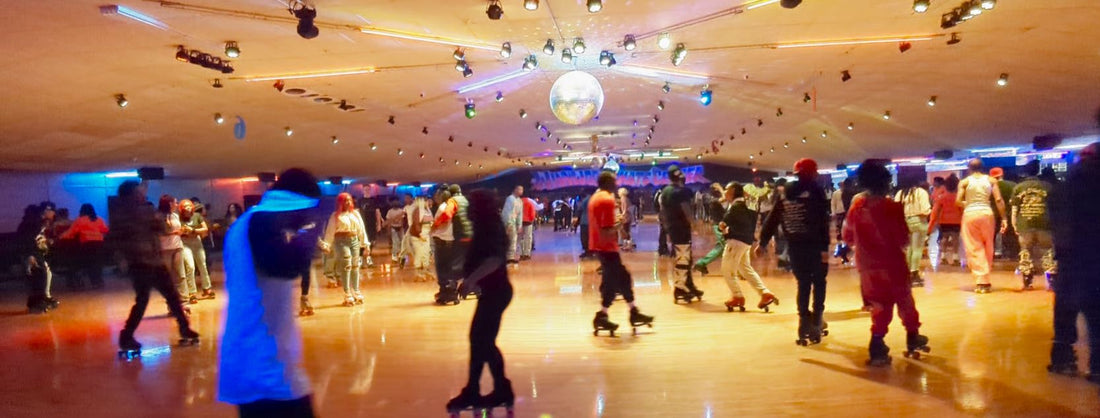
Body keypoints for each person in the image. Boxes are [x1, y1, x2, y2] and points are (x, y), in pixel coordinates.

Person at [218, 168, 325, 417]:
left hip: (257, 362)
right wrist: (312, 230)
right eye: (305, 211)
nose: (305, 218)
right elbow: (288, 266)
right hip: (263, 367)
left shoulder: (247, 224)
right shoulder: (260, 223)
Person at [843, 160, 929, 367]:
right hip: (893, 264)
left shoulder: (856, 208)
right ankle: (912, 336)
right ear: (886, 182)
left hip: (867, 267)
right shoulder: (893, 207)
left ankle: (877, 345)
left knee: (879, 305)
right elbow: (902, 239)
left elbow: (847, 236)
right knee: (905, 300)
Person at [445, 189, 516, 414]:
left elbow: (494, 260)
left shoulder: (489, 228)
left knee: (482, 341)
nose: (468, 210)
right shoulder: (486, 226)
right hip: (492, 291)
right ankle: (477, 390)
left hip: (497, 292)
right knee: (480, 341)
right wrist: (467, 278)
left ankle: (498, 390)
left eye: (472, 206)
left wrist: (470, 280)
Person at [111, 181, 198, 354]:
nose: (141, 195)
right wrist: (124, 260)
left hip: (154, 262)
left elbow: (162, 229)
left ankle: (183, 327)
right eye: (138, 192)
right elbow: (120, 241)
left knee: (171, 296)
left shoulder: (140, 212)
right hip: (140, 264)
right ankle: (127, 336)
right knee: (143, 300)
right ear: (129, 196)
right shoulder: (127, 215)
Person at [761, 159, 831, 345]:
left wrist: (762, 242)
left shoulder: (785, 194)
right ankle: (816, 321)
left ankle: (803, 324)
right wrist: (825, 248)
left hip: (795, 247)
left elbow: (773, 219)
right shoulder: (816, 191)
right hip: (815, 246)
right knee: (819, 283)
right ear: (812, 173)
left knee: (803, 284)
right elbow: (822, 222)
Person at [1048, 140, 1100, 385]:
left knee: (1066, 308)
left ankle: (1062, 357)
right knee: (1095, 311)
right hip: (1090, 253)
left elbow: (1058, 217)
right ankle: (1097, 365)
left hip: (1072, 253)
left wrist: (1063, 248)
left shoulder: (1069, 183)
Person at [591, 171, 654, 334]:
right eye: (614, 181)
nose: (617, 183)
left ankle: (630, 312)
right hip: (606, 247)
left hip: (600, 246)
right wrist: (621, 225)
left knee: (619, 279)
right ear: (607, 183)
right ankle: (605, 315)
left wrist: (618, 226)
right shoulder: (606, 199)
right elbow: (606, 230)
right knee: (616, 281)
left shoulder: (595, 197)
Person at [718, 182, 778, 312]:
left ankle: (737, 296)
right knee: (745, 269)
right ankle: (765, 293)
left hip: (735, 242)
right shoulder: (748, 206)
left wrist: (723, 227)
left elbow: (723, 223)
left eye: (726, 189)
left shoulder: (736, 207)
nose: (725, 192)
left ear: (733, 191)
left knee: (727, 270)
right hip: (746, 242)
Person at [956, 159, 1008, 293]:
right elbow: (998, 200)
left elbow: (958, 201)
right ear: (983, 168)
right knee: (988, 245)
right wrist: (1004, 218)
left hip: (970, 214)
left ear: (969, 168)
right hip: (987, 213)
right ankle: (985, 278)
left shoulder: (965, 182)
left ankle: (981, 281)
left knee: (973, 246)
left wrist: (968, 204)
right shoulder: (991, 181)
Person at [1011, 160, 1055, 290]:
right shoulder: (1047, 186)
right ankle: (1051, 279)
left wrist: (1014, 224)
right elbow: (1054, 207)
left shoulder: (1018, 187)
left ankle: (1027, 280)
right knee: (1047, 251)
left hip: (1024, 223)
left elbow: (1014, 209)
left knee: (1025, 251)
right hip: (1044, 223)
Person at [661, 166, 703, 302]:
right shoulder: (681, 192)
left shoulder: (665, 192)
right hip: (682, 229)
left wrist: (666, 229)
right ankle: (679, 288)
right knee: (684, 258)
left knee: (684, 257)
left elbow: (662, 212)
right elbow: (686, 211)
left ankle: (688, 285)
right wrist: (695, 224)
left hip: (672, 228)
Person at [321, 193, 367, 306]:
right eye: (345, 201)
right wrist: (327, 245)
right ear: (340, 203)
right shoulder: (335, 216)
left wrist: (365, 244)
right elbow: (330, 231)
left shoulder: (355, 214)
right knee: (346, 265)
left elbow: (361, 229)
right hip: (341, 241)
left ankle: (356, 291)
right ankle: (347, 293)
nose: (348, 203)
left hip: (354, 240)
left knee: (355, 266)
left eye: (349, 200)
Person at [19, 202, 59, 313]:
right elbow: (26, 240)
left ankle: (41, 299)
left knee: (44, 273)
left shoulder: (38, 222)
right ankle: (37, 302)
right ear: (46, 211)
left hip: (33, 251)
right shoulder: (33, 223)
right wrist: (30, 255)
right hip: (30, 252)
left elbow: (36, 239)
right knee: (38, 275)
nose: (54, 213)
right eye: (52, 211)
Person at [60, 204, 110, 289]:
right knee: (97, 263)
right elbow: (105, 230)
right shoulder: (98, 219)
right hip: (99, 244)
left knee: (89, 263)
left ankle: (88, 282)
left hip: (87, 244)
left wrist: (60, 237)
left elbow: (71, 232)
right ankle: (98, 282)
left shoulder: (79, 220)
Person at [157, 195, 193, 305]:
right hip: (165, 249)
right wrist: (174, 233)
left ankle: (184, 302)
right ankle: (172, 304)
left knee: (181, 275)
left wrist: (182, 231)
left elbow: (177, 230)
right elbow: (158, 233)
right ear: (169, 204)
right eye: (175, 203)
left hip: (177, 246)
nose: (177, 205)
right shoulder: (158, 216)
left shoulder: (175, 215)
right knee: (169, 277)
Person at [895, 179, 932, 287]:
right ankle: (914, 273)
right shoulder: (921, 192)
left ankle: (907, 273)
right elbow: (925, 210)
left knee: (909, 248)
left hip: (905, 222)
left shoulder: (900, 193)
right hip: (919, 222)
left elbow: (896, 209)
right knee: (917, 249)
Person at [179, 199, 214, 299]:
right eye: (185, 206)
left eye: (189, 205)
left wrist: (193, 230)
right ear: (182, 208)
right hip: (185, 243)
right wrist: (184, 231)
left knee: (202, 265)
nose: (188, 207)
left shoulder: (197, 216)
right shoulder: (179, 218)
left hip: (197, 241)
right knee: (190, 266)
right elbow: (179, 231)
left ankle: (207, 289)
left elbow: (205, 229)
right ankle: (192, 292)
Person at [431, 188, 460, 304]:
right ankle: (452, 293)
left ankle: (445, 293)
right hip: (450, 241)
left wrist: (433, 229)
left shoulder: (443, 207)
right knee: (450, 268)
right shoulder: (451, 206)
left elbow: (444, 221)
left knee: (442, 269)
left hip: (442, 241)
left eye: (436, 195)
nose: (434, 197)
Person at [928, 174, 963, 268]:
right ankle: (955, 257)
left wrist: (931, 225)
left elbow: (935, 212)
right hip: (956, 220)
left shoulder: (941, 197)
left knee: (944, 238)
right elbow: (962, 210)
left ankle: (943, 256)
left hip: (943, 220)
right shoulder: (958, 198)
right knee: (955, 239)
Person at [694, 183, 727, 275]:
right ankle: (701, 263)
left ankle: (701, 263)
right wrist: (720, 188)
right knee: (724, 247)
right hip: (718, 226)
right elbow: (725, 198)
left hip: (721, 225)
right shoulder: (711, 199)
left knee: (721, 247)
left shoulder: (712, 198)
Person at [989, 167, 1019, 260]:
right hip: (1009, 213)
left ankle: (991, 255)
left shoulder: (989, 186)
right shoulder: (1013, 185)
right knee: (1010, 235)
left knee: (991, 235)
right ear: (1002, 174)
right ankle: (1012, 255)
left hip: (993, 214)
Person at [408, 195, 434, 281]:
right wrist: (420, 234)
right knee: (419, 253)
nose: (429, 202)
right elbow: (416, 224)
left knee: (426, 253)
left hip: (426, 235)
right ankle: (419, 273)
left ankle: (425, 270)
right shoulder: (418, 211)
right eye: (427, 201)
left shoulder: (427, 210)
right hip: (418, 236)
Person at [927, 177, 947, 268]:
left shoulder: (943, 190)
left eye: (935, 182)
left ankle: (942, 254)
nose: (933, 183)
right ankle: (941, 253)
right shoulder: (934, 189)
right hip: (935, 214)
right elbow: (932, 200)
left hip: (942, 215)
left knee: (942, 235)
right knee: (938, 235)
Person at [501, 186, 524, 264]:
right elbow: (506, 212)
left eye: (522, 190)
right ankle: (506, 257)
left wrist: (519, 225)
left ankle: (510, 257)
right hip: (509, 222)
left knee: (514, 240)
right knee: (509, 240)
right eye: (519, 189)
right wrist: (508, 224)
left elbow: (520, 214)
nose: (521, 191)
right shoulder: (510, 199)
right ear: (515, 190)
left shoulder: (520, 201)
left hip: (514, 222)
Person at [385, 197, 406, 263]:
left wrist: (402, 228)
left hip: (400, 228)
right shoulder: (390, 211)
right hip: (393, 228)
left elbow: (402, 221)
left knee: (402, 242)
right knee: (395, 243)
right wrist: (388, 231)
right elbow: (388, 221)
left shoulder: (401, 211)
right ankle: (394, 257)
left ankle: (401, 255)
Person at [575, 191, 594, 258]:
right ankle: (591, 251)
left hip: (584, 221)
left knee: (584, 237)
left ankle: (587, 251)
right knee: (590, 237)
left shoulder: (585, 200)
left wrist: (577, 221)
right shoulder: (593, 199)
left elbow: (580, 210)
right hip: (592, 221)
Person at [617, 188, 636, 252]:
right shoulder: (626, 198)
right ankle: (626, 245)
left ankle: (628, 245)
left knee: (625, 231)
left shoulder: (623, 199)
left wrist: (622, 215)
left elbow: (624, 208)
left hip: (626, 217)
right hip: (628, 216)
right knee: (626, 231)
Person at [654, 188, 671, 257]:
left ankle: (663, 248)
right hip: (664, 214)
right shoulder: (662, 196)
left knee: (663, 232)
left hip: (662, 214)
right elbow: (662, 206)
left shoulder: (658, 194)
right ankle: (662, 249)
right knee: (664, 232)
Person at [519, 195, 537, 260]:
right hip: (528, 222)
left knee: (521, 238)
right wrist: (531, 220)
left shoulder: (518, 203)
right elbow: (532, 213)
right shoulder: (530, 203)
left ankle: (521, 254)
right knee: (528, 238)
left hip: (520, 222)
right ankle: (527, 254)